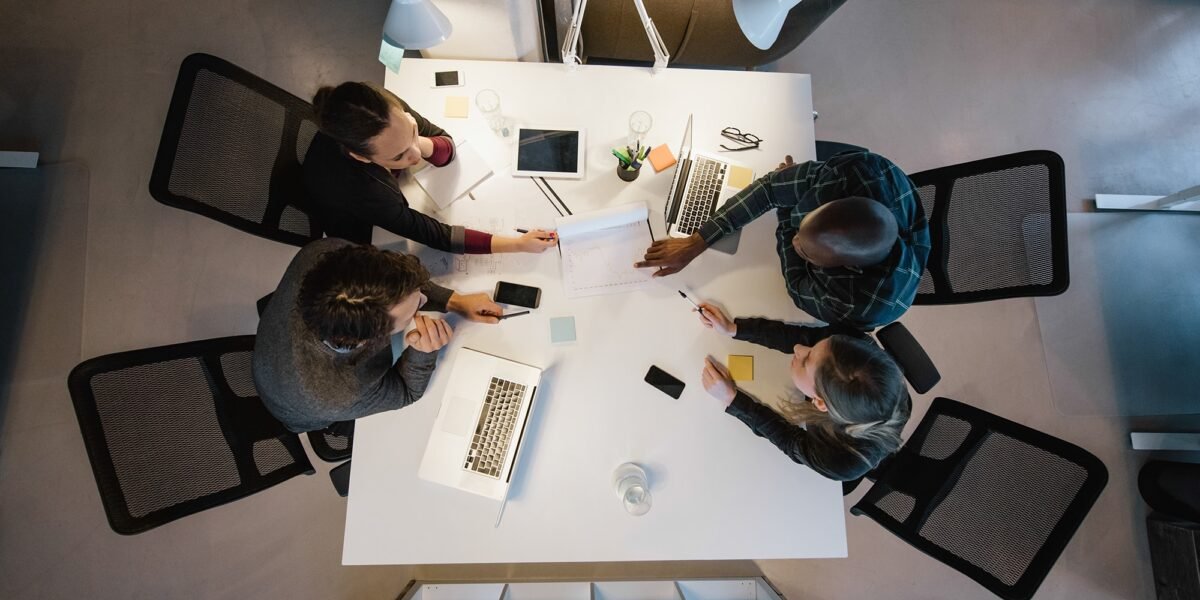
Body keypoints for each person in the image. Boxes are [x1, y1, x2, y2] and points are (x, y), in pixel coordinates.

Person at [636, 151, 930, 330]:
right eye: (803, 228)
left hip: (871, 295)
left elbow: (797, 287)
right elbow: (770, 189)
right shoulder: (855, 172)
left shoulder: (857, 302)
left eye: (806, 252)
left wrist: (788, 215)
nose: (794, 244)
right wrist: (696, 242)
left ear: (846, 267)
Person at [253, 238, 504, 433]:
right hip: (300, 407)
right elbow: (405, 391)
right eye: (414, 310)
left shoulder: (324, 254)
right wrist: (422, 352)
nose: (426, 301)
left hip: (278, 346)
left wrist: (454, 301)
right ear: (372, 338)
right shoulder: (336, 393)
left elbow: (396, 280)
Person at [303, 81, 556, 253]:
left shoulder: (381, 107)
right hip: (359, 230)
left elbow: (447, 149)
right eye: (399, 155)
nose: (415, 157)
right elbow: (431, 234)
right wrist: (517, 244)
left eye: (412, 130)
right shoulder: (361, 190)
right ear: (362, 157)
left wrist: (415, 142)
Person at [694, 301, 911, 481]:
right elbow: (803, 337)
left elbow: (790, 441)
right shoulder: (852, 346)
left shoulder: (840, 461)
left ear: (820, 403)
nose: (798, 349)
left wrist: (732, 399)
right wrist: (734, 329)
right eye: (816, 348)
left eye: (806, 361)